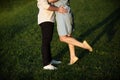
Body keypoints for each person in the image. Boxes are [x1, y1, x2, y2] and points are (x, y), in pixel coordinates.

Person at [48, 0, 93, 65]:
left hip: (62, 12)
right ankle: (73, 57)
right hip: (65, 11)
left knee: (62, 38)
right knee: (68, 36)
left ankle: (84, 45)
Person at [37, 0, 67, 70]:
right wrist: (58, 9)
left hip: (49, 20)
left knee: (48, 40)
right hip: (45, 20)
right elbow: (46, 6)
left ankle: (50, 60)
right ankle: (46, 64)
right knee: (46, 41)